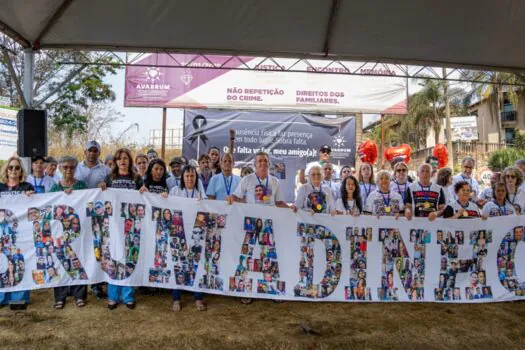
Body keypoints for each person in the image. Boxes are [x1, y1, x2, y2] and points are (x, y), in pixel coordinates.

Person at [233, 151, 289, 304]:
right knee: (247, 255)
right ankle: (244, 289)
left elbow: (279, 203)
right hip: (251, 223)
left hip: (268, 225)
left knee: (269, 257)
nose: (263, 163)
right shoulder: (247, 180)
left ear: (269, 163)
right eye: (260, 161)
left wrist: (293, 209)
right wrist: (229, 199)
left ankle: (272, 289)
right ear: (255, 164)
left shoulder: (275, 182)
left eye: (265, 160)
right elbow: (237, 197)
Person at [100, 148, 142, 309]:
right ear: (116, 162)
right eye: (119, 159)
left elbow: (143, 196)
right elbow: (102, 196)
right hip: (113, 225)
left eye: (125, 158)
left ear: (130, 161)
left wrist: (143, 191)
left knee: (128, 257)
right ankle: (113, 296)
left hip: (131, 224)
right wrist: (101, 187)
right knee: (113, 258)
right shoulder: (110, 178)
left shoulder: (136, 178)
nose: (122, 161)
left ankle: (128, 295)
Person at [49, 156, 88, 308]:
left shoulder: (82, 186)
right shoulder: (54, 188)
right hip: (59, 231)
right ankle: (60, 296)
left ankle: (80, 294)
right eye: (65, 167)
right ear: (60, 168)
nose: (68, 170)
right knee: (60, 260)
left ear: (76, 168)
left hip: (78, 231)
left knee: (79, 260)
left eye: (72, 167)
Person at [170, 165, 207, 311]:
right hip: (179, 233)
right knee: (178, 264)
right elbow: (166, 205)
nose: (190, 179)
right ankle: (176, 298)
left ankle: (198, 298)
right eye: (187, 176)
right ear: (183, 178)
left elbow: (205, 213)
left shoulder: (200, 193)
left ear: (196, 178)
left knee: (197, 265)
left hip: (196, 233)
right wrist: (165, 198)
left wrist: (203, 202)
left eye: (192, 176)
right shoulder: (175, 191)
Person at [0, 156, 34, 307]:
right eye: (11, 167)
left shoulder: (26, 187)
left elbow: (35, 206)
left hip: (20, 234)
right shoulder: (0, 188)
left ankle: (19, 297)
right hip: (1, 234)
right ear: (6, 170)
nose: (13, 170)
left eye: (17, 168)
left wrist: (31, 197)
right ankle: (2, 298)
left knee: (19, 263)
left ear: (21, 171)